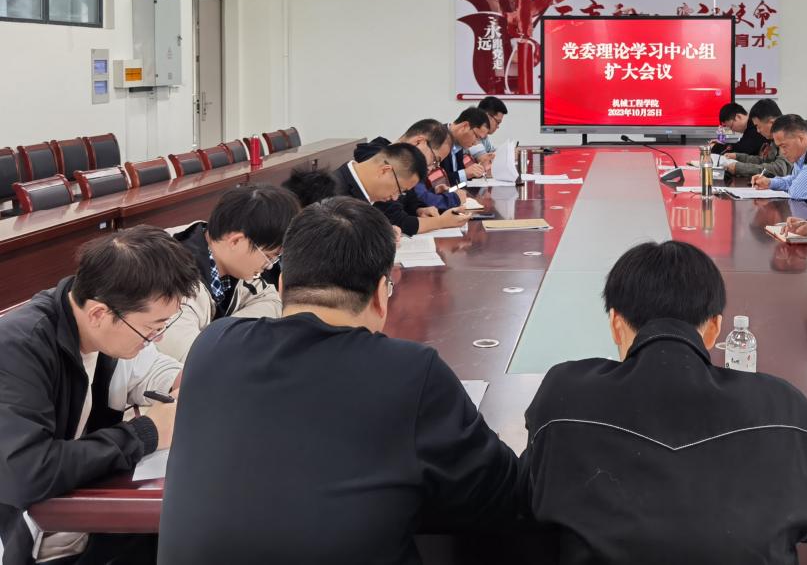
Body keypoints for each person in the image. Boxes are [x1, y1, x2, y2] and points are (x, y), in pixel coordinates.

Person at [157, 198, 524, 565]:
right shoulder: (412, 371)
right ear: (381, 294)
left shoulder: (213, 345)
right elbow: (499, 493)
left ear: (282, 286)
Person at [522, 240, 807, 564]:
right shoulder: (782, 407)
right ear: (714, 328)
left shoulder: (564, 395)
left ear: (616, 323)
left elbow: (524, 504)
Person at [0, 227, 200, 565]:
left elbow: (153, 369)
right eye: (150, 328)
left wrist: (194, 386)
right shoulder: (18, 350)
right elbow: (26, 473)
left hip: (76, 514)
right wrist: (147, 432)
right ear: (98, 314)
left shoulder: (104, 325)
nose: (154, 339)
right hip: (28, 534)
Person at [157, 184, 301, 362]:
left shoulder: (232, 264)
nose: (270, 266)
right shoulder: (169, 279)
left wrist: (219, 331)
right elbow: (193, 359)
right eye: (269, 256)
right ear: (236, 241)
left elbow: (273, 301)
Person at [355, 123, 469, 233]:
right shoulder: (381, 161)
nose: (431, 168)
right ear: (418, 142)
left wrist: (418, 210)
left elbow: (409, 198)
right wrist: (441, 222)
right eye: (435, 160)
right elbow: (395, 218)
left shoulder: (404, 166)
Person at [750, 114, 807, 213]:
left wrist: (782, 184)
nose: (782, 152)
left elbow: (796, 192)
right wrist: (770, 183)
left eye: (784, 146)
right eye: (779, 147)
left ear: (800, 138)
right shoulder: (801, 156)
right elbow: (795, 179)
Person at [334, 142, 426, 212]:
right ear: (385, 171)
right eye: (399, 190)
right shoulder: (334, 199)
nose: (394, 198)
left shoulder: (365, 194)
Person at [721, 98, 788, 178]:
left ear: (772, 123)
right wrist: (737, 156)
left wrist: (740, 168)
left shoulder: (788, 136)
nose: (758, 131)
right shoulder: (775, 138)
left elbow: (779, 169)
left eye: (758, 126)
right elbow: (764, 161)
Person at [442, 108, 492, 187]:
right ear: (465, 126)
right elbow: (435, 183)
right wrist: (465, 173)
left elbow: (455, 177)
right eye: (476, 136)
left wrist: (476, 172)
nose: (475, 143)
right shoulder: (438, 138)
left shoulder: (459, 143)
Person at [469, 96, 508, 166]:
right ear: (487, 116)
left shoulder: (484, 136)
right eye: (498, 122)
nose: (498, 127)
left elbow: (492, 152)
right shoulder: (470, 132)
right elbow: (485, 162)